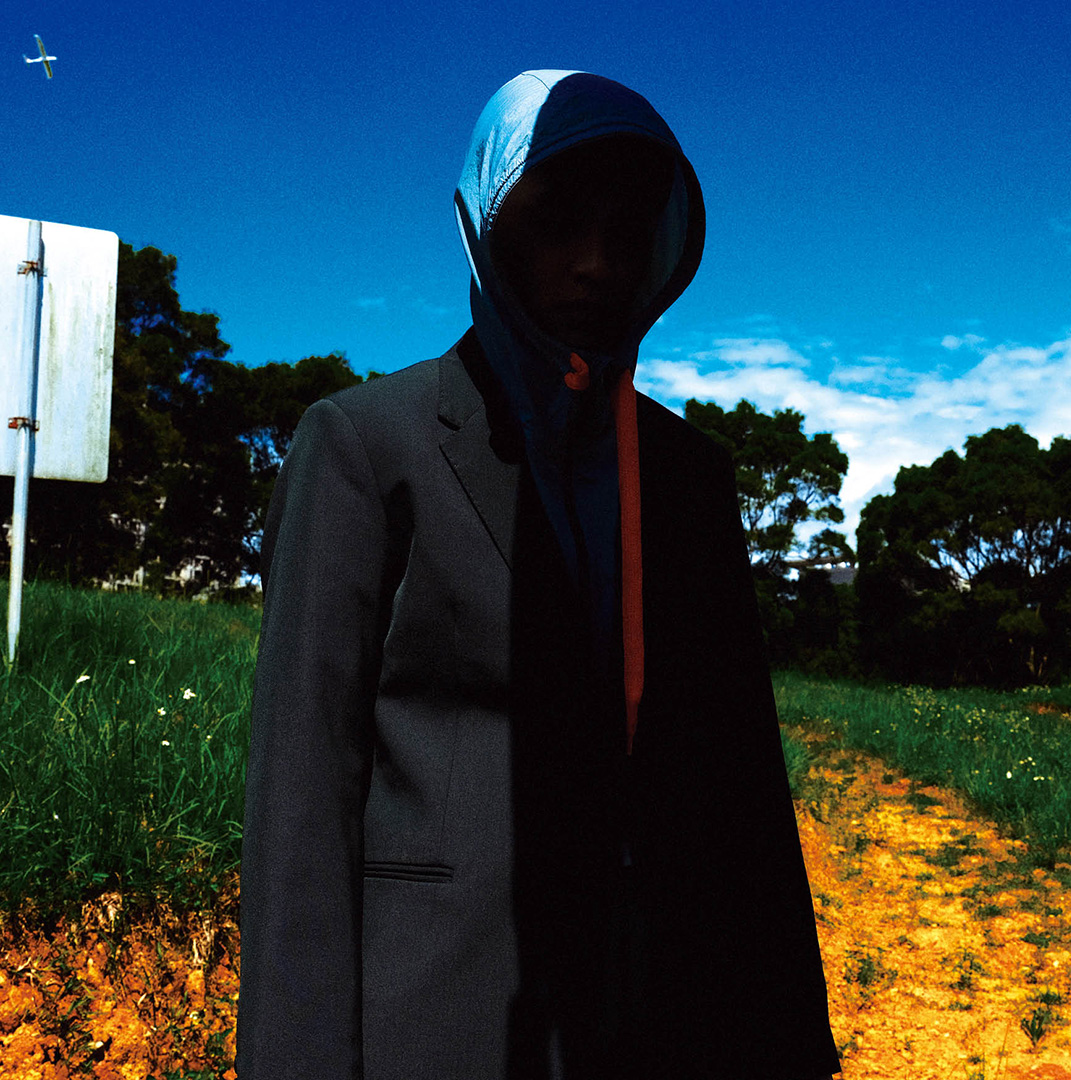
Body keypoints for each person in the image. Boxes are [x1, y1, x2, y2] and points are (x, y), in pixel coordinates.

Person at [237, 69, 840, 1080]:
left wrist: (787, 1041)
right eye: (557, 219)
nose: (597, 261)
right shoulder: (364, 447)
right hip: (438, 1021)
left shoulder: (689, 476)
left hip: (667, 1026)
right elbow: (302, 803)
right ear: (485, 220)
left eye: (628, 228)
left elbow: (745, 786)